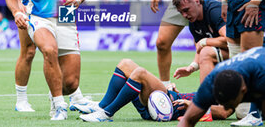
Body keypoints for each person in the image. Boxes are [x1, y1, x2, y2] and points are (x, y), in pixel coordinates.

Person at [79, 58, 232, 122]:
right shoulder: (214, 89)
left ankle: (106, 114)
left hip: (167, 108)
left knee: (140, 73)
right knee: (125, 64)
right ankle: (101, 106)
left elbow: (223, 113)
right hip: (168, 97)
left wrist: (189, 104)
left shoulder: (228, 97)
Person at [178, 47, 265, 127]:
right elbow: (187, 120)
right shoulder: (210, 83)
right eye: (222, 103)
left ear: (243, 90)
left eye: (229, 104)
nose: (225, 108)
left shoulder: (260, 78)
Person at [172, 0, 228, 83]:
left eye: (186, 10)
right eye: (181, 12)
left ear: (197, 1)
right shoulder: (193, 21)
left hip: (245, 50)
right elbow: (199, 50)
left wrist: (204, 42)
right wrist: (191, 68)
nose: (184, 15)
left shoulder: (214, 10)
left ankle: (204, 96)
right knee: (205, 51)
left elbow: (230, 39)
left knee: (206, 52)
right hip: (227, 53)